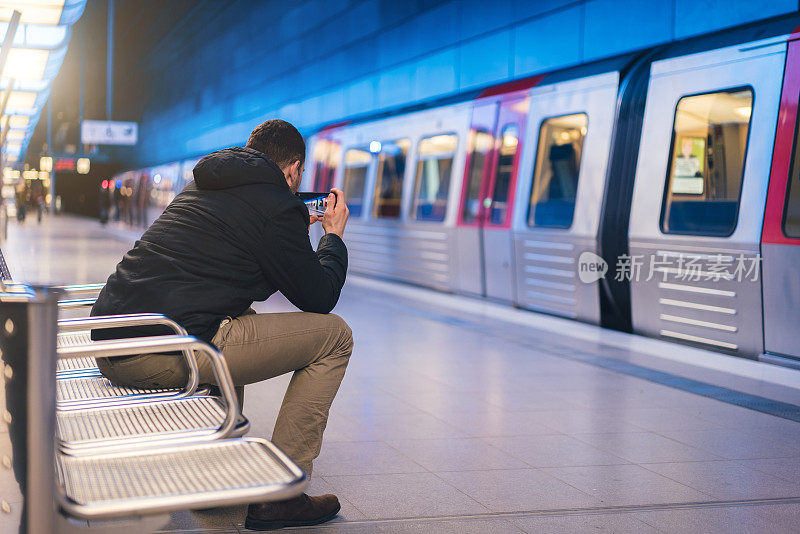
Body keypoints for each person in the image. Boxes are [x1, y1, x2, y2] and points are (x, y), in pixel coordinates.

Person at [90, 119, 352, 530]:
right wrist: (332, 237)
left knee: (239, 319)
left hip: (110, 342)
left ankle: (216, 468)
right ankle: (280, 495)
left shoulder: (205, 184)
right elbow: (319, 296)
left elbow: (243, 240)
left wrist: (291, 223)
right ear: (294, 169)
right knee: (336, 337)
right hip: (154, 351)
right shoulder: (275, 205)